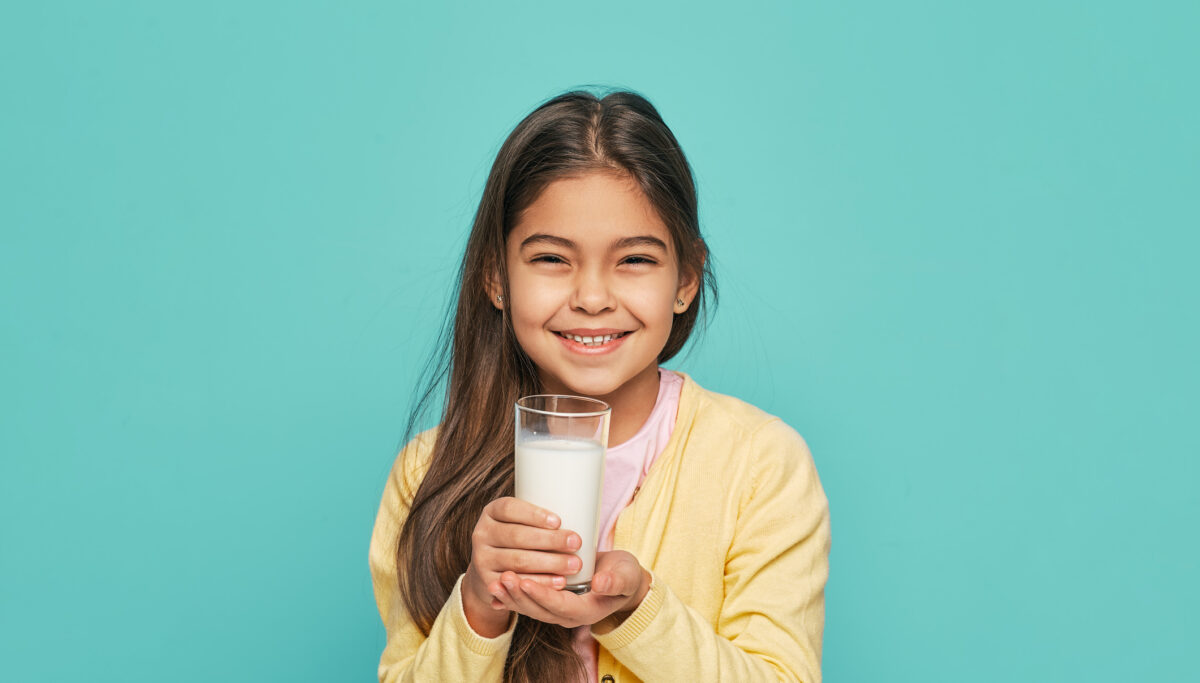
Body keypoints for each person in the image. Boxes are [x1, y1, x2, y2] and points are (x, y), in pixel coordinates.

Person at [368, 88, 831, 683]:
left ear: (686, 278)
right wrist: (479, 610)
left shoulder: (760, 465)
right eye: (551, 259)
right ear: (496, 277)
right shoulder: (429, 474)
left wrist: (638, 610)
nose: (591, 298)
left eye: (635, 260)